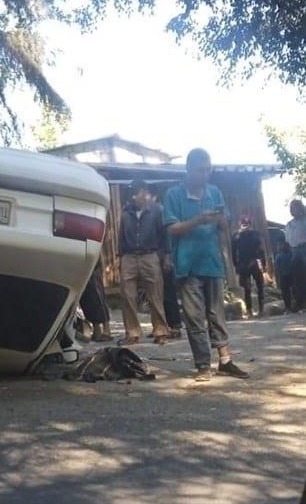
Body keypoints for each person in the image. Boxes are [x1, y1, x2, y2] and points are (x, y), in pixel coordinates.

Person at [163, 148, 249, 382]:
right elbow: (172, 228)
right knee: (194, 317)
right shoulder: (174, 195)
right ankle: (203, 365)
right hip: (187, 265)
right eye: (201, 170)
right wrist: (199, 220)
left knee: (217, 314)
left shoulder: (214, 193)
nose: (205, 174)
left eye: (208, 170)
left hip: (212, 262)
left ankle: (225, 360)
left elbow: (224, 226)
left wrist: (221, 222)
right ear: (188, 170)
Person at [118, 180, 170, 345]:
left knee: (155, 293)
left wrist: (166, 255)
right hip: (129, 256)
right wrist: (120, 257)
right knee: (127, 295)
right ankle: (132, 332)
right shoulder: (126, 213)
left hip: (150, 255)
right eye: (134, 194)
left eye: (139, 193)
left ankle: (160, 330)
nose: (137, 197)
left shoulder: (157, 211)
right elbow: (121, 237)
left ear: (146, 193)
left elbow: (165, 235)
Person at [231, 216, 266, 318]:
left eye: (247, 224)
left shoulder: (255, 234)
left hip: (254, 262)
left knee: (259, 286)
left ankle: (261, 309)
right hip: (243, 263)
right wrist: (236, 265)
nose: (245, 226)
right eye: (244, 224)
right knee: (247, 288)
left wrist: (263, 263)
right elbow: (233, 252)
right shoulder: (237, 236)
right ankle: (250, 310)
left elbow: (261, 249)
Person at [79, 260, 113, 342]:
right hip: (78, 261)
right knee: (86, 295)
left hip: (88, 258)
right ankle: (97, 328)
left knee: (95, 292)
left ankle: (105, 329)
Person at [285, 199, 306, 311]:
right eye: (291, 208)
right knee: (298, 278)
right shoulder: (289, 224)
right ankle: (301, 302)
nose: (293, 210)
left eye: (295, 208)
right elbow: (288, 240)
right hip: (294, 251)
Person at [275, 242, 294, 313]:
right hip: (286, 276)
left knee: (289, 292)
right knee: (287, 292)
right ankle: (289, 307)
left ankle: (290, 307)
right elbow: (277, 268)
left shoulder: (289, 254)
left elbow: (277, 268)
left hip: (288, 276)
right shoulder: (281, 256)